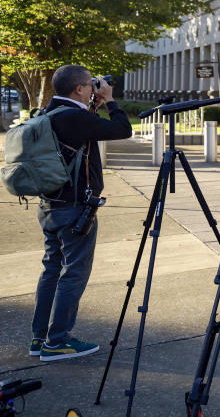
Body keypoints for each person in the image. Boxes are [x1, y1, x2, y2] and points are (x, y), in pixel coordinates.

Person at [30, 65, 132, 362]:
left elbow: (83, 134)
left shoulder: (48, 113)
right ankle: (58, 341)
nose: (94, 89)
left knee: (51, 268)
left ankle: (40, 338)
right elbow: (122, 129)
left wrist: (94, 106)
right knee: (73, 272)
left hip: (49, 206)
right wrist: (111, 101)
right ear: (78, 89)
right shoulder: (75, 117)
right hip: (75, 210)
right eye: (90, 85)